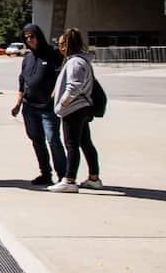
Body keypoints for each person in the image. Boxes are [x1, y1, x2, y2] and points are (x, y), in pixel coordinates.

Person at [11, 23, 66, 185]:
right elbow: (23, 82)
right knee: (37, 140)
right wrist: (18, 104)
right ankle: (45, 173)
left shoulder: (53, 54)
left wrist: (54, 97)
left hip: (48, 109)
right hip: (29, 107)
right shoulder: (27, 58)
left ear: (39, 36)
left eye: (32, 36)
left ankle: (64, 175)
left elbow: (61, 78)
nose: (29, 40)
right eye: (26, 38)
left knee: (53, 139)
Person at [48, 28, 102, 193]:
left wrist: (63, 103)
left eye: (61, 44)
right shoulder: (80, 60)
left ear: (67, 45)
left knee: (71, 144)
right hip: (82, 107)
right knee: (85, 143)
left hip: (74, 108)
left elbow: (74, 86)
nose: (59, 47)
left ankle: (69, 179)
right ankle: (94, 178)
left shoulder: (75, 62)